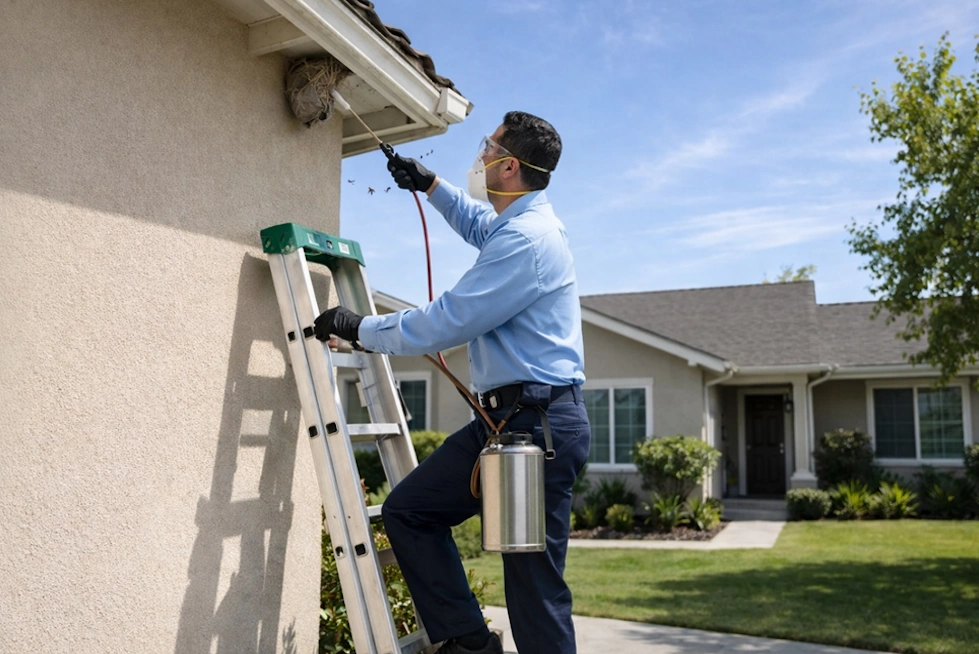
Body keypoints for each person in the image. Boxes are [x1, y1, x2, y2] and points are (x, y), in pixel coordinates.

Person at [314, 111, 590, 654]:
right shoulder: (515, 226)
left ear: (509, 166)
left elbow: (448, 321)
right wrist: (431, 185)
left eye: (488, 147)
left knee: (533, 587)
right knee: (410, 511)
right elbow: (477, 225)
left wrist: (360, 328)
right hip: (506, 422)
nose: (480, 155)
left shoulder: (528, 241)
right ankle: (469, 644)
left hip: (535, 428)